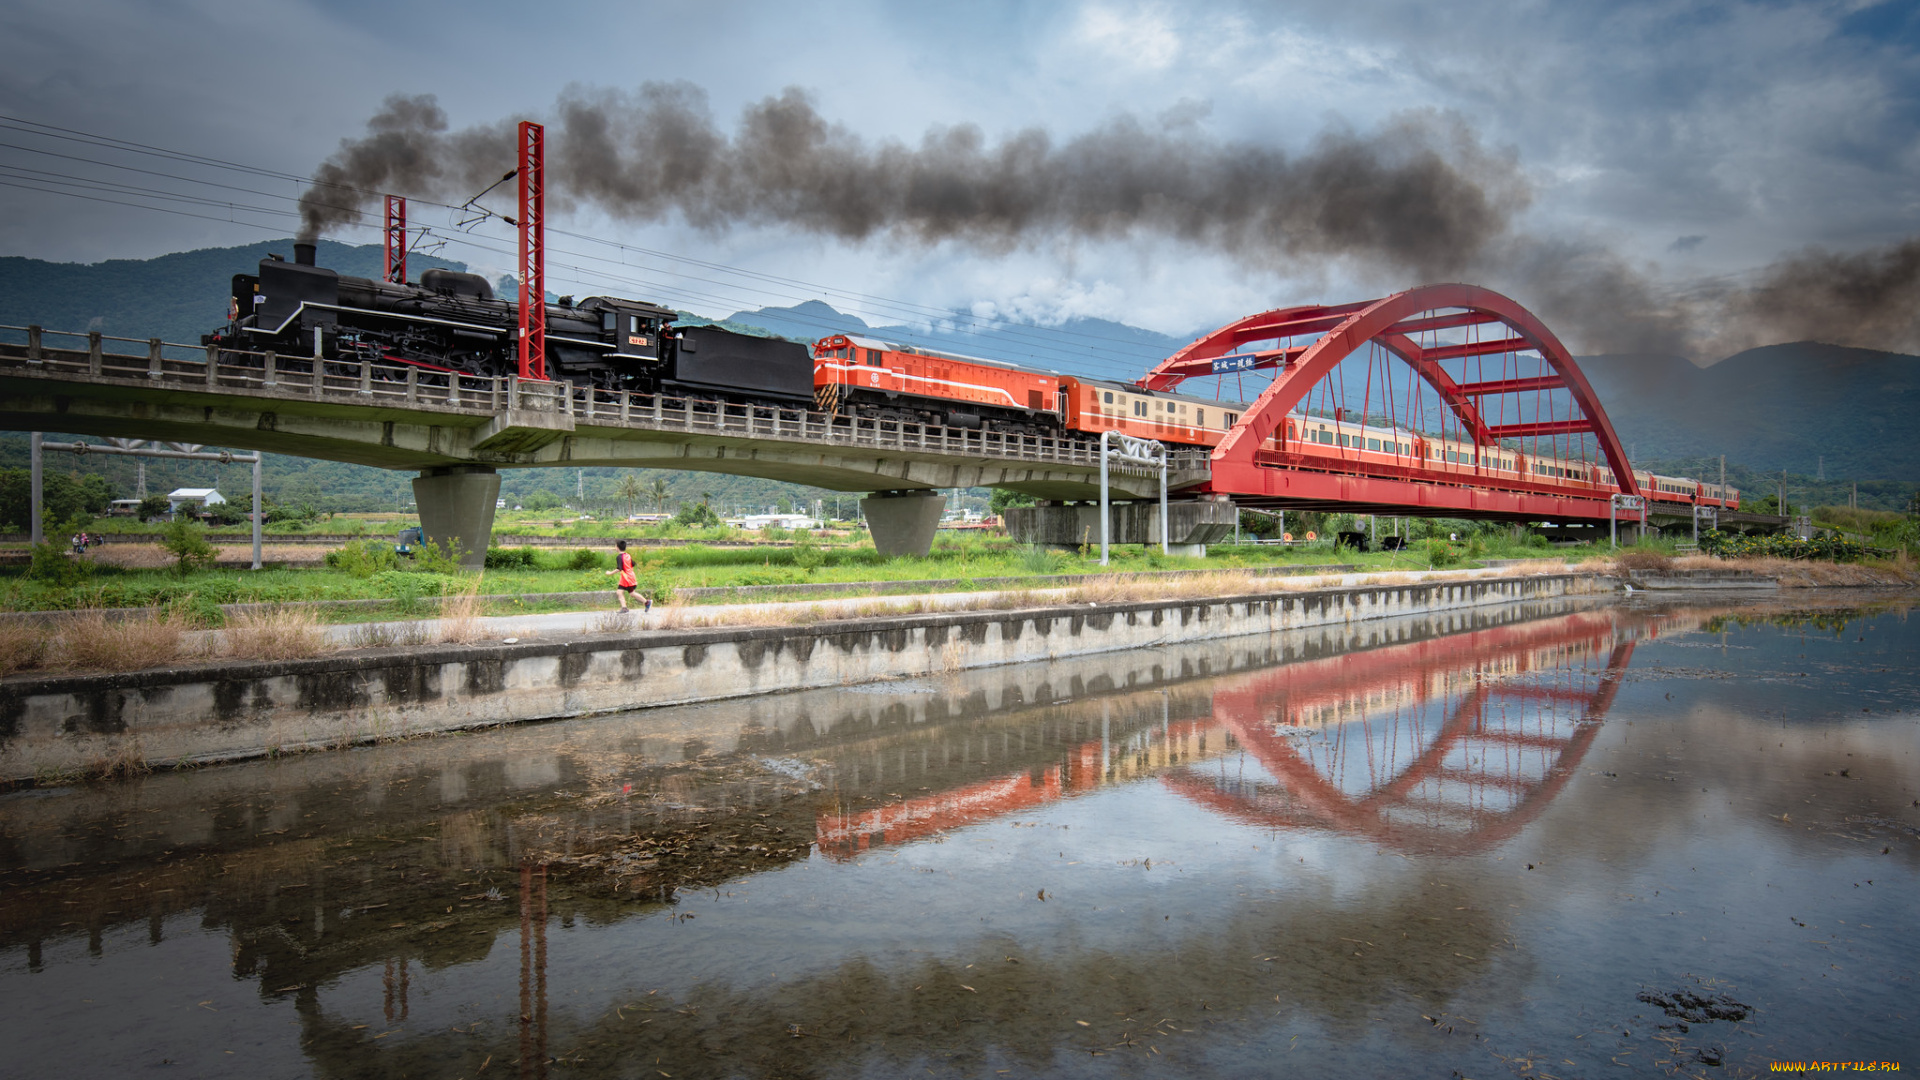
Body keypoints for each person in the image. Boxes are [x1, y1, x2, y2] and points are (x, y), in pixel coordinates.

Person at [605, 539, 639, 613]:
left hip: (626, 578)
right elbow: (633, 564)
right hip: (630, 576)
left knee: (622, 592)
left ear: (617, 547)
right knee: (629, 593)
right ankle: (646, 602)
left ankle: (624, 608)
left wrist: (610, 573)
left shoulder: (619, 557)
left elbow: (619, 568)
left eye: (615, 545)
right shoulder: (627, 555)